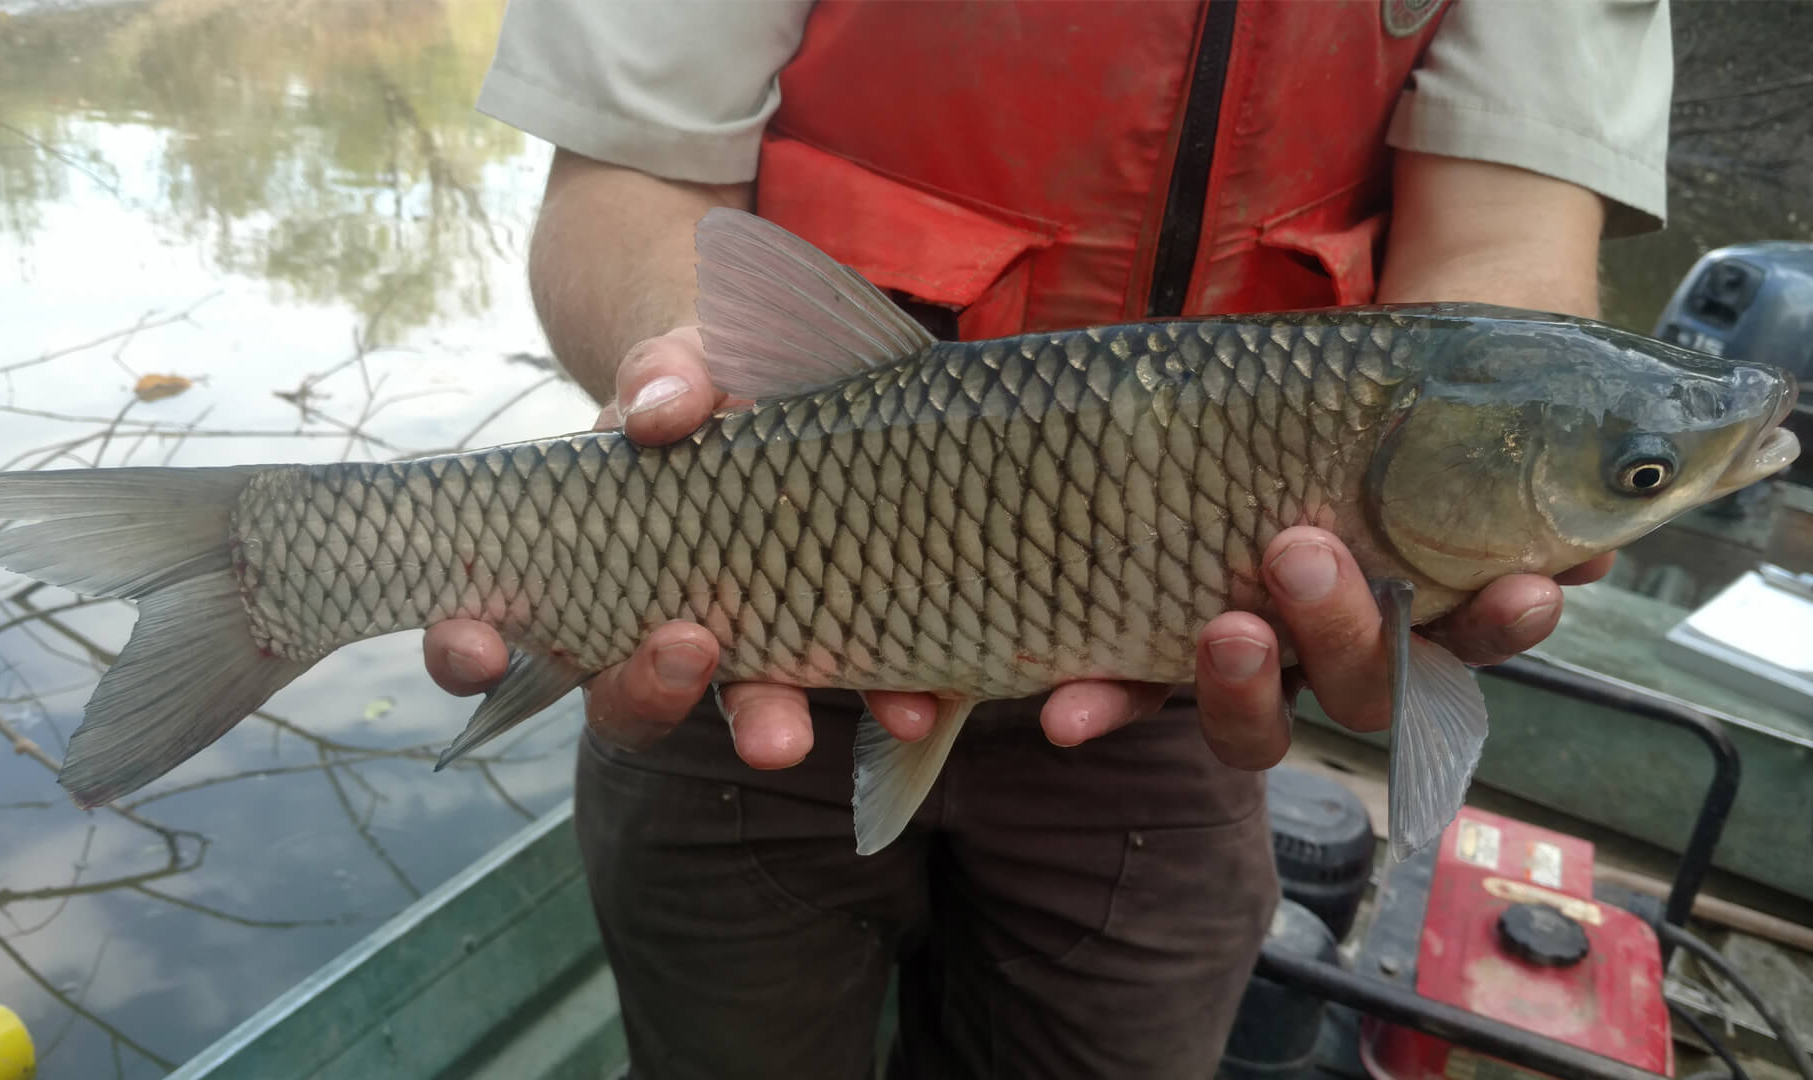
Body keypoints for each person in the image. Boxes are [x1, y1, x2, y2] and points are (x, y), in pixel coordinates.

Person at [434, 2, 1671, 1076]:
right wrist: (687, 352)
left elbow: (1502, 271)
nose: (1642, 482)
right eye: (1643, 473)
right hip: (732, 639)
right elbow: (629, 173)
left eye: (1640, 475)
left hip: (1190, 687)